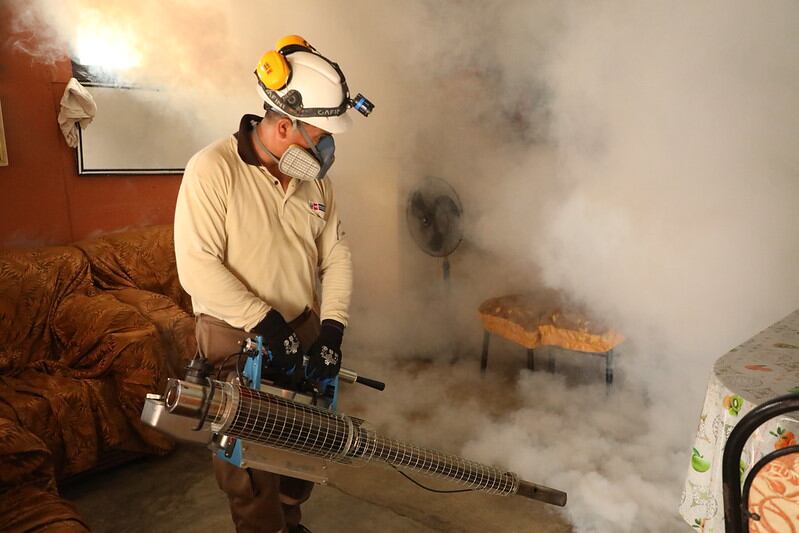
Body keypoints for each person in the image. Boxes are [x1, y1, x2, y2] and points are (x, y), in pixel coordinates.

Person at [173, 35, 373, 533]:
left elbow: (336, 255)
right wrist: (265, 323)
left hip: (300, 329)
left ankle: (291, 523)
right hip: (237, 338)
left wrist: (332, 329)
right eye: (320, 136)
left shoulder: (316, 182)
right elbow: (198, 268)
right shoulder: (212, 169)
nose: (326, 150)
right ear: (284, 125)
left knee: (297, 455)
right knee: (250, 472)